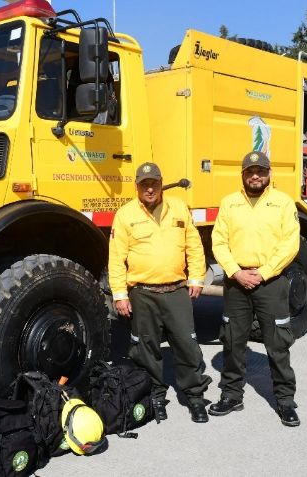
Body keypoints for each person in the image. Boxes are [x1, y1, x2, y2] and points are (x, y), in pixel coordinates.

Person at [108, 162, 212, 423]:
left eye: (154, 183)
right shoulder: (125, 215)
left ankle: (195, 397)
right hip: (143, 293)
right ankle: (155, 396)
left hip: (177, 290)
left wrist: (197, 277)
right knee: (147, 349)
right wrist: (120, 295)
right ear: (137, 187)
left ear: (161, 182)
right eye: (144, 184)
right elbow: (116, 259)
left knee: (187, 345)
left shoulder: (178, 207)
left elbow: (194, 245)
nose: (150, 188)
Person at [209, 151, 301, 427]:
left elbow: (290, 244)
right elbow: (218, 241)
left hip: (271, 283)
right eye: (250, 172)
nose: (255, 176)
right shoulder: (230, 203)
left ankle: (285, 401)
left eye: (260, 171)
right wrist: (236, 272)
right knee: (233, 341)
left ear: (269, 174)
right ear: (243, 175)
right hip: (236, 283)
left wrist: (261, 273)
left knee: (277, 344)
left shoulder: (283, 203)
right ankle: (231, 395)